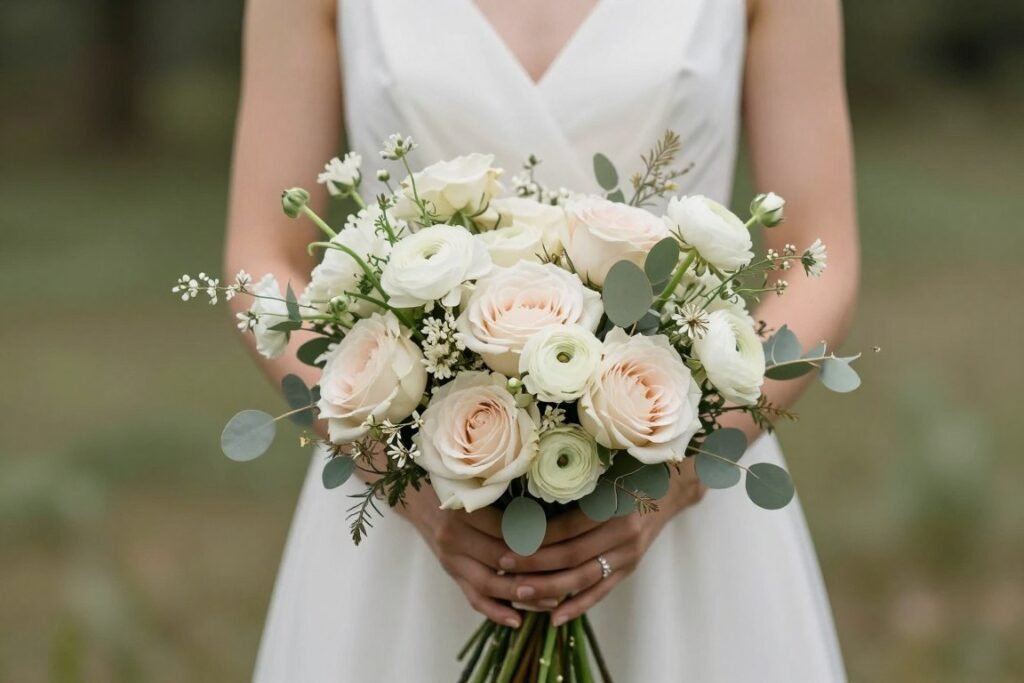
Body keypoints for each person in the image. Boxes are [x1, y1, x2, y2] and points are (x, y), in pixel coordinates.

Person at [224, 0, 859, 679]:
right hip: (406, 517)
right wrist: (398, 473)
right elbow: (262, 257)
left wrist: (677, 475)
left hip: (683, 499)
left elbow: (819, 260)